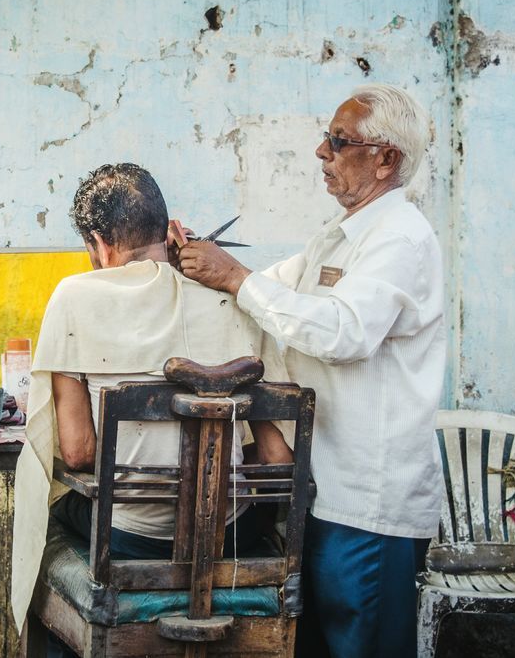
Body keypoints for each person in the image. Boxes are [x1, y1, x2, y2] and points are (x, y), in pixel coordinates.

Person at [178, 83, 444, 658]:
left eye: (338, 141)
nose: (321, 153)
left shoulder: (400, 238)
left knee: (365, 643)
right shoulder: (337, 236)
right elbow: (267, 290)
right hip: (322, 488)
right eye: (325, 138)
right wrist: (197, 260)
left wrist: (234, 278)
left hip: (369, 500)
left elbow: (343, 332)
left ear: (385, 158)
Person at [9, 163, 289, 634]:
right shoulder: (232, 294)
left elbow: (79, 451)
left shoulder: (74, 297)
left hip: (129, 539)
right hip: (230, 535)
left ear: (97, 242)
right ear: (167, 230)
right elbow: (278, 454)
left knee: (46, 513)